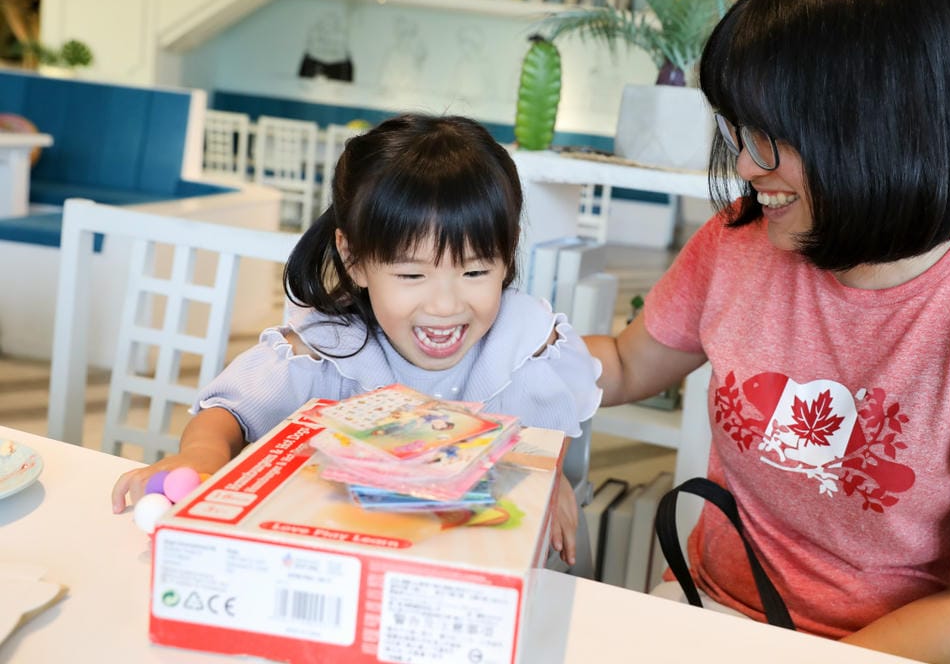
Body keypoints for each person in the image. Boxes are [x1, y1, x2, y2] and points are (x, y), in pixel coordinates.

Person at [585, 0, 950, 664]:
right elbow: (627, 367)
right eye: (740, 130)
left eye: (774, 134)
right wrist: (481, 341)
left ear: (882, 129)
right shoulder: (739, 242)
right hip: (714, 615)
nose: (748, 166)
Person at [111, 114, 601, 565]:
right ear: (355, 258)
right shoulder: (330, 347)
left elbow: (539, 449)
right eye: (412, 276)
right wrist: (201, 457)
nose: (446, 305)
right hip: (337, 562)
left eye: (476, 270)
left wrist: (544, 476)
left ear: (508, 252)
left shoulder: (524, 346)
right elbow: (228, 413)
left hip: (468, 572)